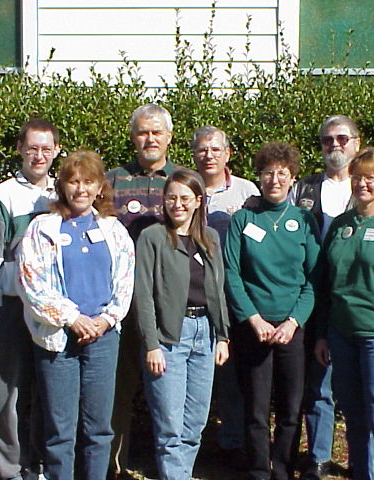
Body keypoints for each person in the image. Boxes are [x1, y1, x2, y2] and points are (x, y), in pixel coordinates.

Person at [291, 114, 374, 480]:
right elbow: (328, 284)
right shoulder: (342, 226)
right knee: (355, 418)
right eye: (358, 177)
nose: (362, 184)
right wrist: (322, 335)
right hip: (341, 335)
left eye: (370, 178)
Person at [16, 150, 135, 480]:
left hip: (103, 337)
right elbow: (31, 282)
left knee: (99, 429)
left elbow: (125, 281)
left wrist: (105, 320)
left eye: (88, 182)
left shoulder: (113, 229)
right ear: (62, 186)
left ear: (99, 187)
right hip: (58, 339)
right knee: (60, 431)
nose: (81, 189)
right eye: (73, 181)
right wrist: (72, 318)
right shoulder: (42, 229)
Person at [224, 142, 321, 480]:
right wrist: (253, 319)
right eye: (268, 173)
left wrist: (294, 322)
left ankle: (282, 469)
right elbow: (232, 274)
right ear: (259, 177)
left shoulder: (304, 220)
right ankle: (258, 471)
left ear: (293, 178)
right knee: (255, 407)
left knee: (291, 408)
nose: (274, 180)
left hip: (292, 329)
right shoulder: (243, 219)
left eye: (282, 173)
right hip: (254, 328)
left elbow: (314, 279)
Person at [0, 118, 60, 480]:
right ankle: (11, 468)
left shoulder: (63, 192)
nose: (39, 156)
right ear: (20, 150)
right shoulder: (2, 196)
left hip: (50, 307)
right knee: (9, 393)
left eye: (46, 149)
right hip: (12, 305)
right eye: (32, 148)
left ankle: (39, 465)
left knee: (47, 390)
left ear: (56, 151)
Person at [135, 169, 230, 480]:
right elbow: (143, 294)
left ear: (198, 201)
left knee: (196, 421)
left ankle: (181, 474)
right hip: (169, 337)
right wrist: (151, 344)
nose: (178, 204)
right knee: (170, 422)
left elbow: (218, 289)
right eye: (172, 198)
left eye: (185, 198)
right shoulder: (153, 237)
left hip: (205, 334)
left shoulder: (210, 238)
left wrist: (223, 336)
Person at [107, 103, 184, 479]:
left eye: (156, 132)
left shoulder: (184, 181)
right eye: (143, 132)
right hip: (120, 304)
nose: (150, 139)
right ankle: (112, 465)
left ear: (169, 136)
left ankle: (171, 467)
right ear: (133, 136)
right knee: (116, 390)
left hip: (169, 304)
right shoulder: (112, 181)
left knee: (169, 392)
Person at [191, 126, 259, 459]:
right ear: (194, 154)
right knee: (195, 373)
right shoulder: (183, 187)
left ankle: (232, 442)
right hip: (192, 294)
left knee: (232, 374)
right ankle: (192, 444)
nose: (209, 155)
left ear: (228, 154)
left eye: (216, 149)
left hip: (233, 295)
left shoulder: (247, 192)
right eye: (203, 149)